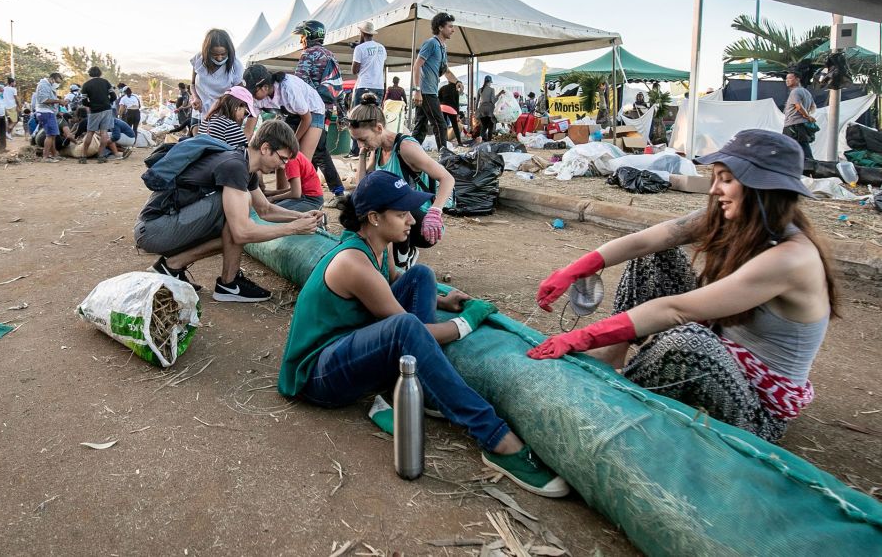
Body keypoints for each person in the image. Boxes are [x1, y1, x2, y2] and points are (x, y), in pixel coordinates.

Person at [277, 170, 569, 498]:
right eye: (402, 214)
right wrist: (467, 322)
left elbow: (393, 281)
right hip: (318, 376)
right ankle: (495, 437)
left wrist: (443, 299)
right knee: (406, 327)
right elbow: (409, 327)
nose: (412, 222)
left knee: (421, 274)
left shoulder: (376, 244)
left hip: (348, 345)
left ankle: (427, 390)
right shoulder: (353, 263)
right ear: (373, 217)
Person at [531, 129, 836, 443]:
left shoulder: (792, 258)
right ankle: (613, 358)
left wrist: (580, 337)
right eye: (715, 177)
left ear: (764, 188)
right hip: (723, 351)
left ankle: (615, 397)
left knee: (689, 343)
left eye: (727, 179)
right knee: (655, 256)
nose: (714, 189)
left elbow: (677, 310)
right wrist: (574, 270)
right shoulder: (738, 219)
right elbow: (652, 238)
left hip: (756, 411)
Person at [134, 120, 322, 301]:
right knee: (241, 209)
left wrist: (301, 216)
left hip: (165, 224)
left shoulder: (244, 165)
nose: (283, 166)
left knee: (238, 211)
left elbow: (265, 209)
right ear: (265, 148)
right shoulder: (234, 166)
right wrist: (293, 228)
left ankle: (174, 267)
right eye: (282, 159)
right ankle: (229, 284)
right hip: (154, 230)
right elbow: (242, 232)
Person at [349, 94, 455, 269]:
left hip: (420, 218)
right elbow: (362, 188)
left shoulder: (406, 148)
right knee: (358, 204)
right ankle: (379, 257)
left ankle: (403, 257)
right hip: (394, 214)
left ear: (379, 128)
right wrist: (362, 154)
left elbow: (447, 178)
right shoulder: (376, 150)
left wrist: (435, 212)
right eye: (357, 141)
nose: (361, 144)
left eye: (363, 139)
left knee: (390, 207)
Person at [243, 65, 346, 205]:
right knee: (279, 157)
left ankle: (306, 201)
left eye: (253, 92)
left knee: (296, 157)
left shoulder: (288, 88)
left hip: (313, 113)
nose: (251, 96)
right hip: (291, 115)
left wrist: (292, 143)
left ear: (265, 87)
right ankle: (283, 199)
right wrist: (241, 149)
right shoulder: (257, 97)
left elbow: (307, 118)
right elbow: (249, 131)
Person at [411, 12, 459, 153]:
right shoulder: (431, 43)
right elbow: (417, 66)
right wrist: (417, 90)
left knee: (420, 127)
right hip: (425, 91)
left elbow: (445, 71)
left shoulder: (442, 47)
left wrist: (457, 82)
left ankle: (408, 153)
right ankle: (444, 156)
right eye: (450, 26)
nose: (453, 30)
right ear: (440, 28)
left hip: (430, 91)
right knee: (440, 124)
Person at [294, 20, 346, 124]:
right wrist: (342, 114)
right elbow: (338, 84)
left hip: (312, 109)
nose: (301, 41)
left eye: (302, 36)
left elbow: (298, 81)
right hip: (329, 110)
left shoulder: (308, 53)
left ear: (309, 36)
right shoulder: (331, 55)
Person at [348, 21, 387, 158]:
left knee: (357, 117)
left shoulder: (360, 49)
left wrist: (358, 48)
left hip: (364, 85)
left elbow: (355, 70)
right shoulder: (382, 48)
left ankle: (355, 150)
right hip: (379, 86)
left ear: (362, 33)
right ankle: (376, 149)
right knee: (375, 117)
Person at [191, 29, 244, 118]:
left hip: (222, 114)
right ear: (207, 51)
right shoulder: (199, 59)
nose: (219, 58)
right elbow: (192, 84)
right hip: (199, 112)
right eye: (214, 54)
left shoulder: (235, 65)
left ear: (229, 51)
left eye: (223, 54)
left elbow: (239, 92)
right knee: (198, 131)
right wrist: (196, 98)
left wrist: (222, 104)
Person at [79, 66, 116, 164]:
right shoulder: (106, 82)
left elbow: (84, 101)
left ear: (90, 74)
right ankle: (101, 156)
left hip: (94, 111)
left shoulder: (86, 85)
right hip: (107, 109)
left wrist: (91, 105)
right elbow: (114, 96)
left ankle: (83, 156)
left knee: (90, 132)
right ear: (100, 73)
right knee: (104, 132)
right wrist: (108, 102)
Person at [783, 70, 817, 160]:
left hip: (793, 125)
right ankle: (810, 169)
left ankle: (811, 169)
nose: (787, 80)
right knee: (802, 148)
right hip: (801, 126)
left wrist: (807, 116)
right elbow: (813, 106)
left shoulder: (795, 92)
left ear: (797, 80)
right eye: (786, 78)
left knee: (788, 148)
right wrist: (808, 115)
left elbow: (798, 106)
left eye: (790, 78)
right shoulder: (807, 92)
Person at [34, 72, 64, 162]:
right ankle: (45, 157)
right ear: (52, 79)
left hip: (48, 112)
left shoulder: (48, 86)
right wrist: (59, 101)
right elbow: (44, 100)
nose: (57, 84)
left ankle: (54, 154)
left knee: (53, 135)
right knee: (50, 135)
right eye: (57, 82)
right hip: (45, 112)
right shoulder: (44, 85)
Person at [437, 80, 464, 146]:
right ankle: (459, 142)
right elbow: (457, 103)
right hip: (452, 109)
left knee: (443, 125)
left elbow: (438, 98)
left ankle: (444, 140)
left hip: (442, 108)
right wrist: (457, 113)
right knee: (455, 126)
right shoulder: (456, 89)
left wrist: (441, 104)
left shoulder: (442, 88)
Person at [476, 75, 496, 142]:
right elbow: (493, 101)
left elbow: (477, 101)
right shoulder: (492, 89)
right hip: (490, 109)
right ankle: (489, 142)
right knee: (490, 127)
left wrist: (476, 110)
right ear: (490, 82)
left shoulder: (480, 90)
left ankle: (480, 137)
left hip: (481, 109)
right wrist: (499, 95)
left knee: (484, 126)